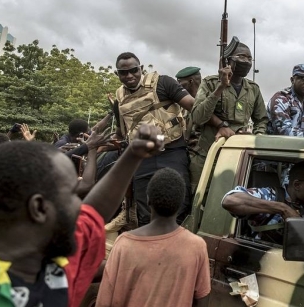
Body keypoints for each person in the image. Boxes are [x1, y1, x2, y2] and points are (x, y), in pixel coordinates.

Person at [0, 124, 163, 307]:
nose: (81, 205)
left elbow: (94, 211)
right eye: (72, 194)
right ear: (39, 208)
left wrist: (134, 154)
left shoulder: (49, 260)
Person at [96, 168, 210, 307]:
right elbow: (202, 299)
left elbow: (104, 301)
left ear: (148, 199)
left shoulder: (125, 244)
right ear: (181, 204)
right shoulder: (197, 246)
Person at [114, 52, 195, 227]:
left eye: (134, 70)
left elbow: (193, 107)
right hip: (142, 158)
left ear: (141, 69)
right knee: (144, 209)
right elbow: (121, 130)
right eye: (123, 72)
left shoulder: (163, 82)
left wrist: (220, 125)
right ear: (117, 74)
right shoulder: (119, 97)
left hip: (172, 151)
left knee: (179, 204)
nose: (129, 76)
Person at [191, 37, 268, 192]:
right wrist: (221, 86)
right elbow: (198, 117)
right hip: (208, 156)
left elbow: (261, 120)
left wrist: (255, 139)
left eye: (249, 58)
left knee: (232, 199)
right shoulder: (210, 83)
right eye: (241, 57)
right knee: (200, 200)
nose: (246, 62)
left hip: (237, 158)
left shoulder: (253, 89)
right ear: (229, 61)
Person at [221, 161, 304, 256]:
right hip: (262, 262)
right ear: (297, 185)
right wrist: (282, 208)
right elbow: (230, 200)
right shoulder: (272, 196)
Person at [266, 64, 304, 138]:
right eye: (303, 78)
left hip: (303, 147)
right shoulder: (281, 99)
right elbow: (284, 132)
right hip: (276, 147)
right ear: (292, 80)